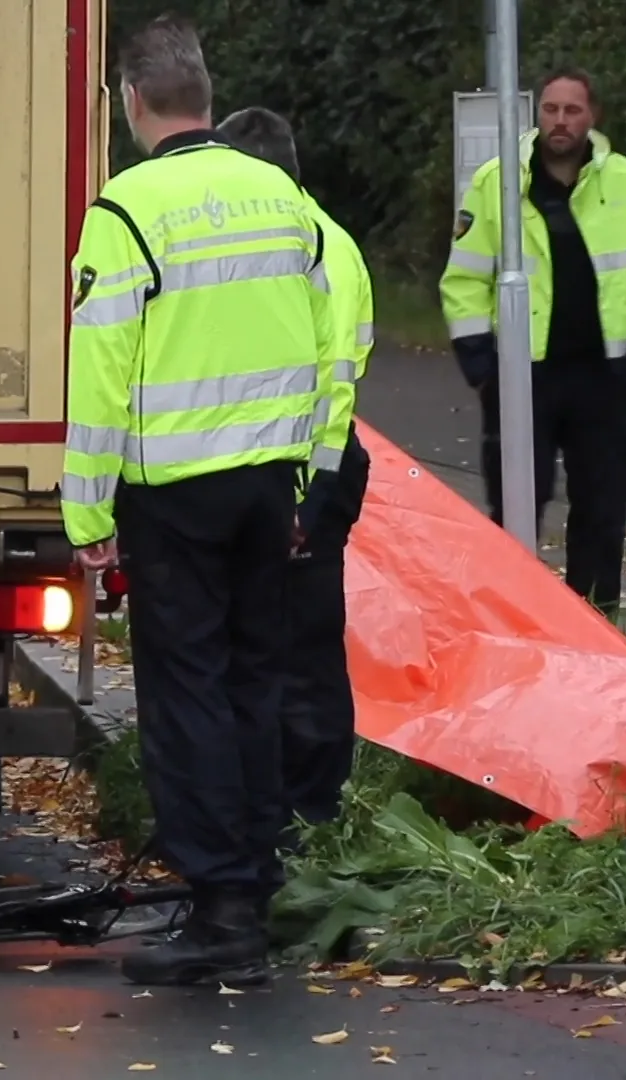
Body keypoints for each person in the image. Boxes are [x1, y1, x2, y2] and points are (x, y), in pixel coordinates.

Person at [63, 14, 341, 987]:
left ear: (133, 102)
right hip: (269, 488)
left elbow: (100, 374)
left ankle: (218, 908)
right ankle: (251, 895)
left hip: (173, 494)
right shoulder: (282, 198)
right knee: (255, 685)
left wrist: (86, 515)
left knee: (187, 699)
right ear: (209, 100)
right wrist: (308, 476)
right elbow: (322, 342)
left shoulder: (128, 208)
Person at [440, 68, 626, 615]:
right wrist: (484, 368)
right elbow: (465, 280)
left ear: (593, 117)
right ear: (536, 114)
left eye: (571, 110)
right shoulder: (497, 183)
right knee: (516, 510)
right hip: (522, 377)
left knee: (602, 510)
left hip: (602, 376)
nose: (559, 121)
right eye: (550, 109)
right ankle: (514, 625)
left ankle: (596, 624)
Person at [216, 105, 375, 838]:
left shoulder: (315, 250)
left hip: (308, 472)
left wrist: (305, 505)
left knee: (303, 657)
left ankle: (307, 817)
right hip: (294, 470)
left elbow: (330, 389)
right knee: (279, 651)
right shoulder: (313, 241)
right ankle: (279, 811)